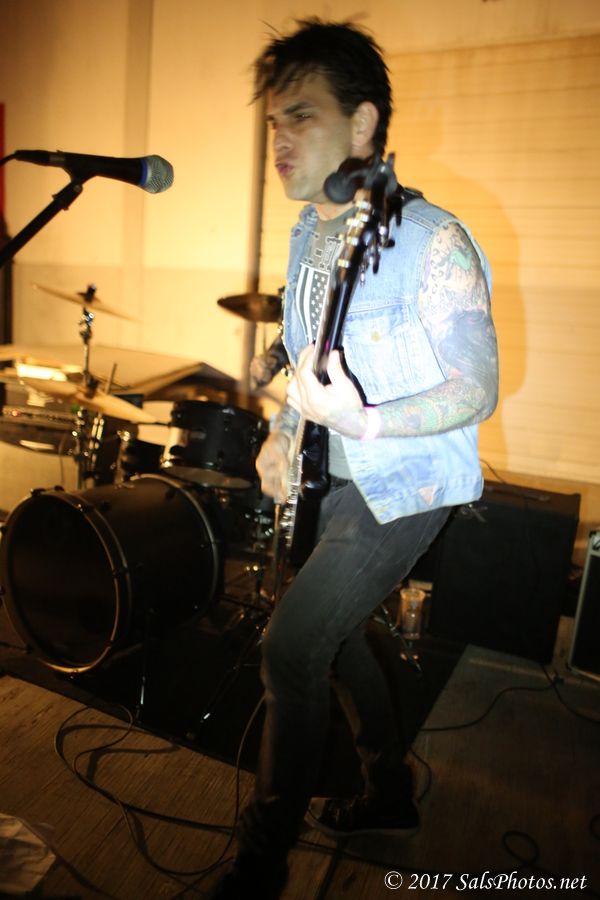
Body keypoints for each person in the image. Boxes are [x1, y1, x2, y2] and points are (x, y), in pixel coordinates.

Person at [211, 18, 498, 900]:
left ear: (363, 123)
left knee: (293, 648)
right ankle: (387, 791)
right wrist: (281, 432)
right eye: (274, 121)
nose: (279, 138)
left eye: (301, 116)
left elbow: (477, 385)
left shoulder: (431, 238)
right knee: (335, 646)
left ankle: (260, 864)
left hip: (405, 486)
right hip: (336, 481)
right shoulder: (308, 235)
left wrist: (366, 422)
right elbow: (308, 364)